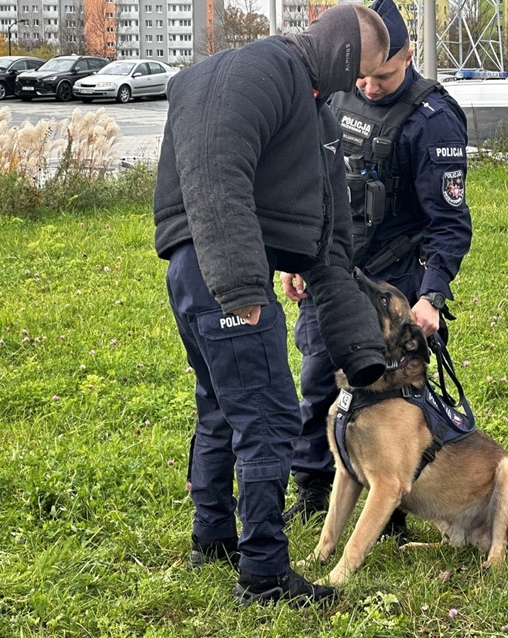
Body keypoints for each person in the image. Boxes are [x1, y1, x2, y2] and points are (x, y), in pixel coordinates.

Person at [153, 5, 391, 607]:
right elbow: (214, 167)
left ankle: (211, 537)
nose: (358, 88)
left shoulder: (304, 97)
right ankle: (263, 575)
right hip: (222, 269)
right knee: (267, 417)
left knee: (219, 405)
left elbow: (329, 241)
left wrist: (363, 352)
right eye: (357, 74)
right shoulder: (253, 72)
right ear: (342, 54)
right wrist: (239, 286)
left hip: (193, 267)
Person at [280, 0, 472, 540]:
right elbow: (311, 184)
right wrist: (297, 257)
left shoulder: (432, 121)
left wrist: (431, 296)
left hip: (391, 287)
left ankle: (392, 505)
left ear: (407, 56)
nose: (367, 85)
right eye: (362, 74)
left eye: (382, 74)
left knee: (387, 399)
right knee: (320, 382)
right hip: (331, 269)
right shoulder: (338, 93)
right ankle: (315, 489)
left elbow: (449, 222)